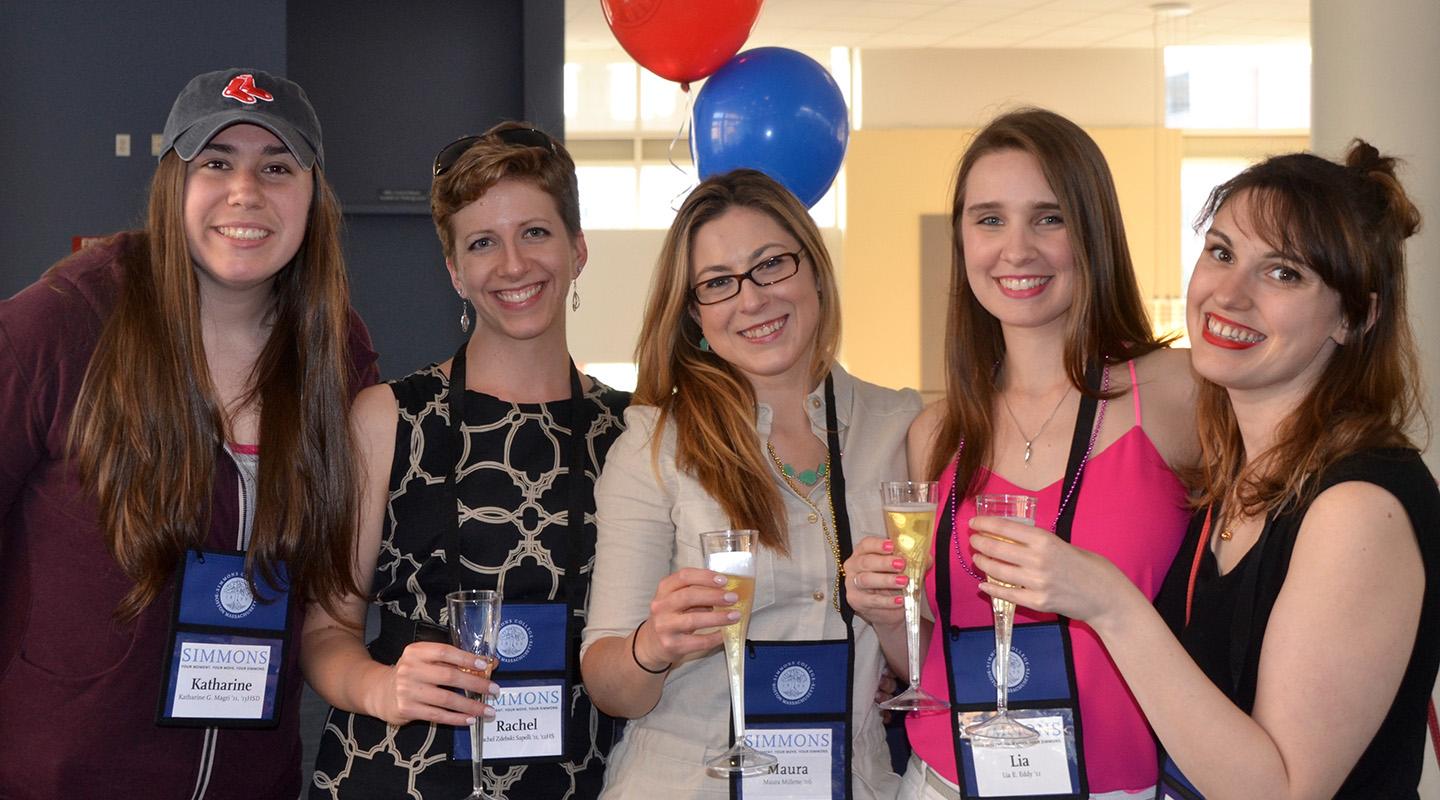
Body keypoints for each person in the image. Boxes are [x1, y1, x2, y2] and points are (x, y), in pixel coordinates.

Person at [969, 142, 1440, 799]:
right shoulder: (1238, 477)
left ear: (1354, 317)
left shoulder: (1357, 504)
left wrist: (1110, 604)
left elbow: (1283, 790)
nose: (1229, 293)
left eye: (1283, 274)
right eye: (1221, 252)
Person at [0, 68, 378, 798]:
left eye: (277, 167)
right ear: (174, 182)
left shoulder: (336, 352)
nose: (246, 191)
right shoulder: (60, 325)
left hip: (254, 781)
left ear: (312, 195)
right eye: (215, 163)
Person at [845, 108, 1198, 800]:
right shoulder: (936, 432)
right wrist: (891, 615)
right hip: (945, 782)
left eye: (1048, 217)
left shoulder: (1178, 394)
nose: (1016, 249)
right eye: (989, 219)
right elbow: (928, 663)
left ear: (1092, 231)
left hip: (1117, 788)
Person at [304, 122, 628, 799]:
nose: (512, 264)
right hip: (400, 776)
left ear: (578, 249)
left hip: (578, 783)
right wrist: (381, 684)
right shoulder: (389, 417)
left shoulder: (632, 432)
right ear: (455, 271)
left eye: (535, 233)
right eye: (483, 243)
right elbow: (326, 629)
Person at [580, 168, 922, 797]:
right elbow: (609, 686)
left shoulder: (904, 428)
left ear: (813, 266)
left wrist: (896, 631)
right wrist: (655, 644)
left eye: (771, 265)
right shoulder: (655, 446)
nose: (753, 299)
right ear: (694, 315)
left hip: (856, 779)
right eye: (718, 283)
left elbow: (930, 672)